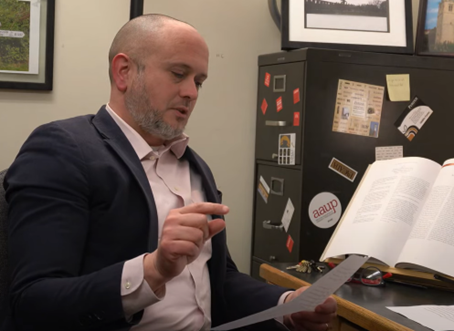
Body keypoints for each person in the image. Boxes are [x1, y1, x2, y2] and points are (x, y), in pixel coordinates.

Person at [3, 14, 337, 331]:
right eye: (178, 74)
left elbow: (219, 278)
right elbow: (33, 302)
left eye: (199, 82)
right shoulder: (63, 149)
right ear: (124, 72)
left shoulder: (194, 166)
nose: (191, 92)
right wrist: (152, 269)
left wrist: (286, 304)